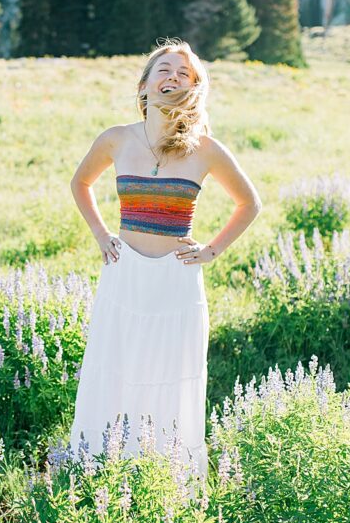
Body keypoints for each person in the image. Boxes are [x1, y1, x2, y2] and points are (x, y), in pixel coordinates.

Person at [68, 38, 262, 490]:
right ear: (144, 84)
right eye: (165, 69)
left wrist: (211, 250)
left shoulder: (206, 149)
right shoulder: (116, 139)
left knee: (169, 380)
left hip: (176, 282)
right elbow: (80, 182)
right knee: (113, 370)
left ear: (195, 88)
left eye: (184, 73)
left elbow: (249, 203)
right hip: (124, 276)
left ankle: (165, 485)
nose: (173, 77)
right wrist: (101, 234)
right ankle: (99, 477)